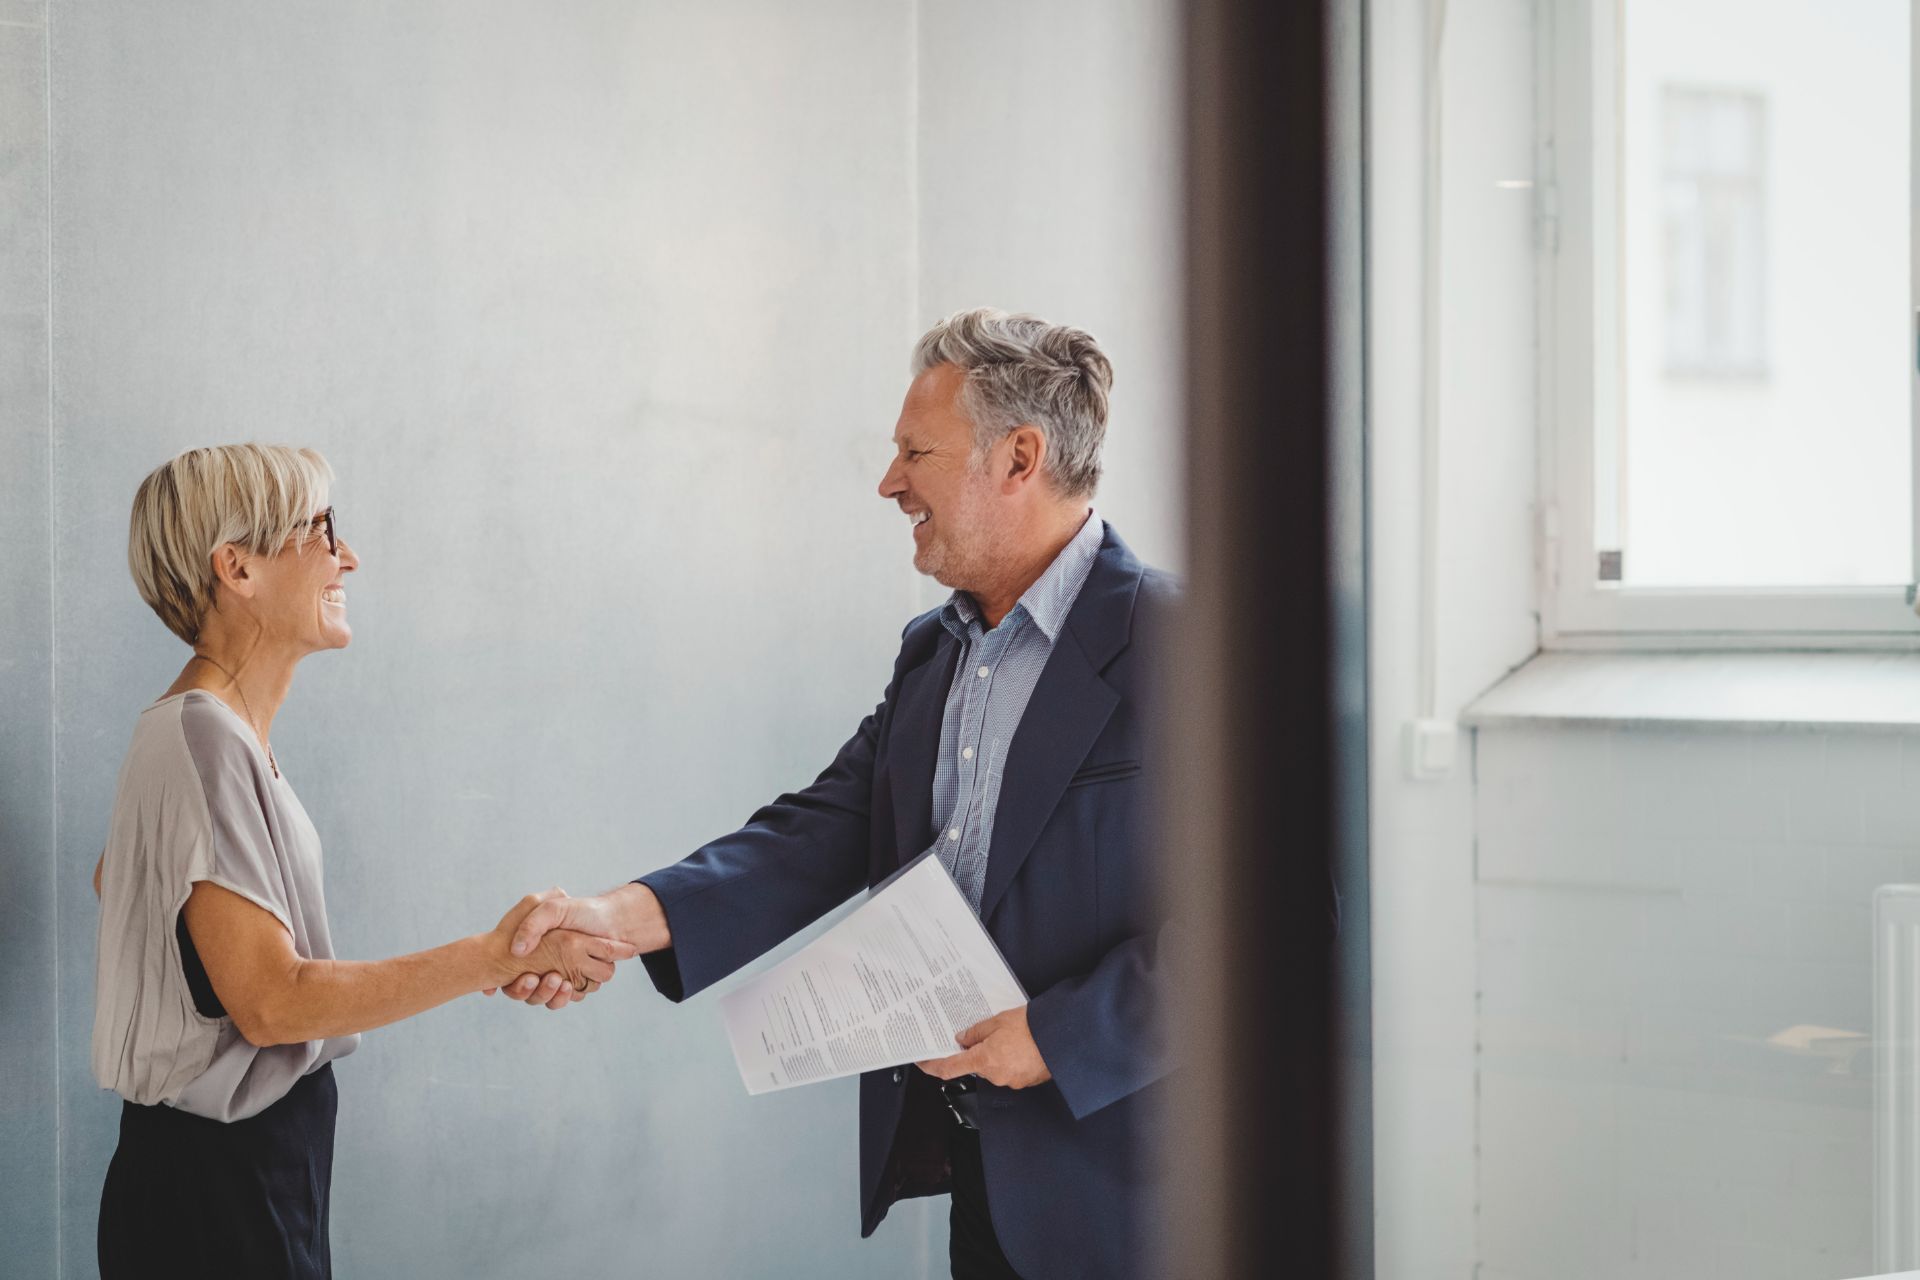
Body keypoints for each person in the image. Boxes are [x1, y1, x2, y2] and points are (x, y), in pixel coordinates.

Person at [502, 309, 1178, 1279]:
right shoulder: (936, 651)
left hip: (1138, 1198)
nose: (889, 480)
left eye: (915, 450)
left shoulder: (1184, 643)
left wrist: (1061, 1035)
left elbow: (1279, 931)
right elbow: (820, 830)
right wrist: (619, 915)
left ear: (1018, 457)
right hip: (987, 1181)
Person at [90, 444, 636, 1280]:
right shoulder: (199, 735)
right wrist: (494, 955)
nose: (348, 556)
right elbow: (272, 1003)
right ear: (235, 567)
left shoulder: (214, 737)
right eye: (320, 529)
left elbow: (123, 880)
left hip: (253, 1169)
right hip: (220, 1187)